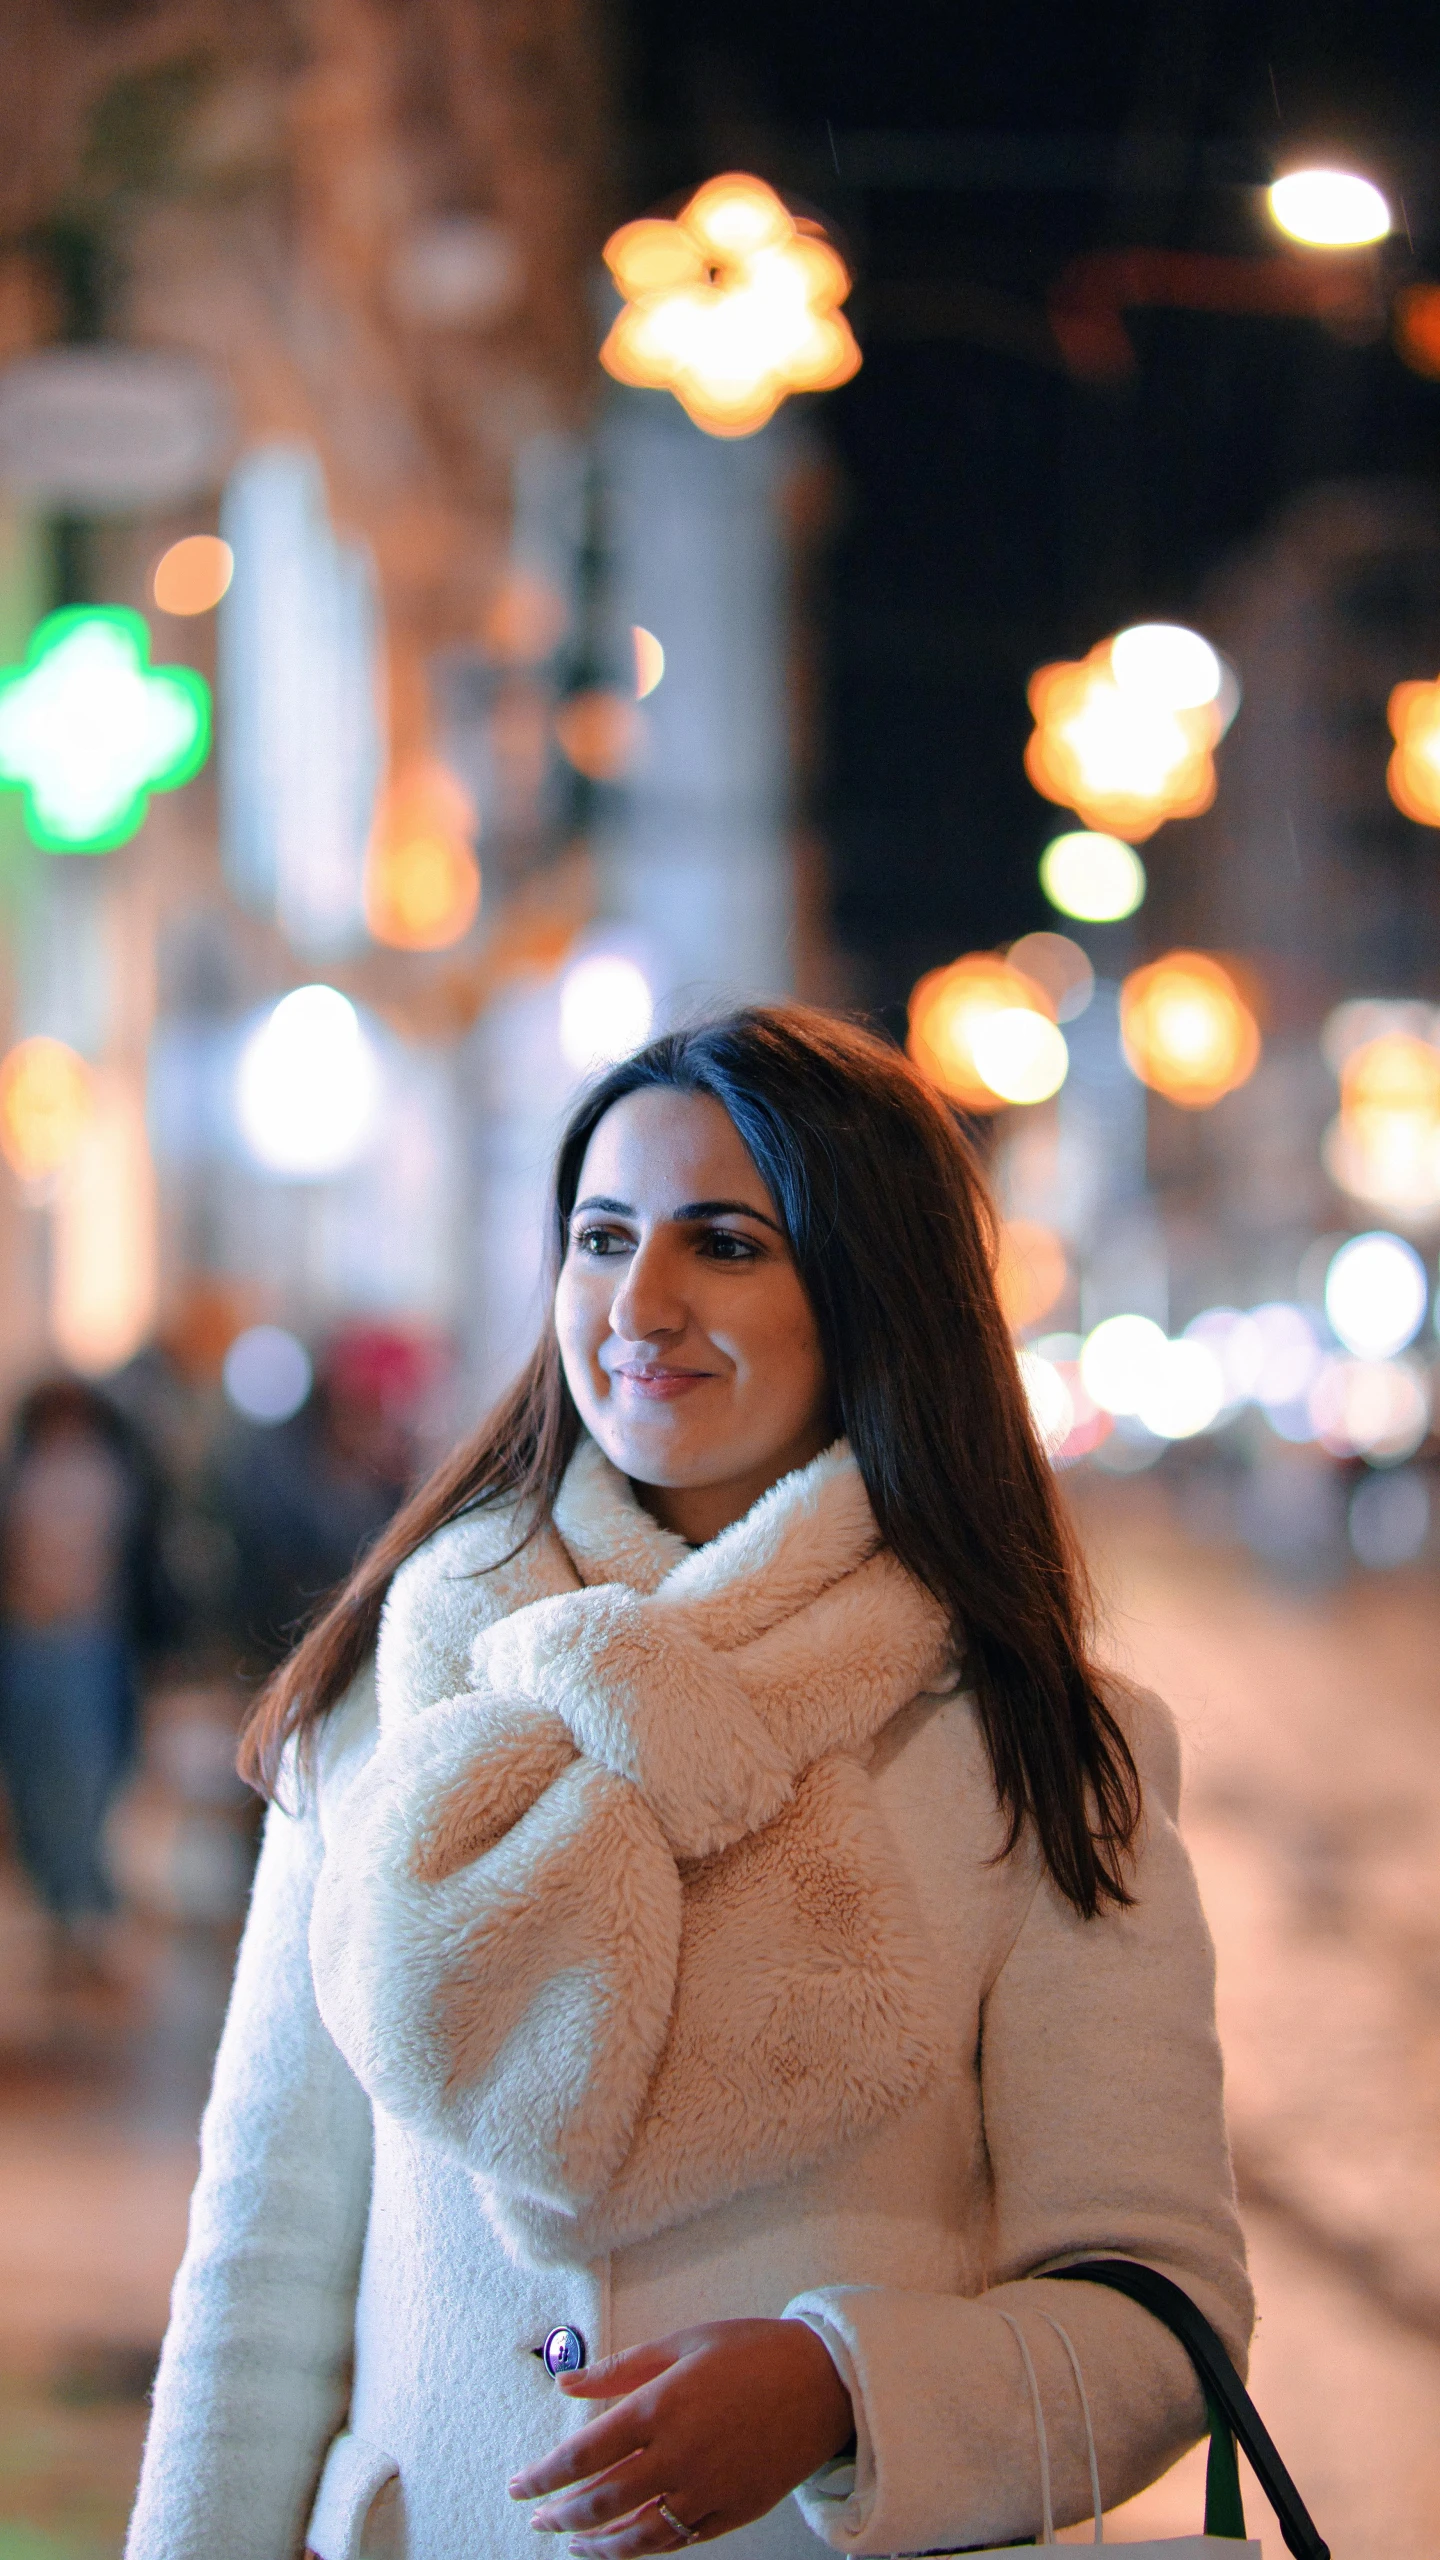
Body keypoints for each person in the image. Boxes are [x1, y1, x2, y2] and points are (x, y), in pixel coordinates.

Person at [127, 1006, 1251, 2560]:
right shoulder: (392, 1693)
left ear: (871, 1298)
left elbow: (1160, 2308)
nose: (638, 1304)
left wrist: (844, 2390)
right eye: (600, 1237)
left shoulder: (1043, 1750)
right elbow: (260, 2268)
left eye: (724, 1244)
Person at [0, 1377, 176, 1982]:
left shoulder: (110, 1474)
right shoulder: (21, 1476)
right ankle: (59, 1911)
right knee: (33, 1782)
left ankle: (85, 1912)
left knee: (85, 1779)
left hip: (87, 1645)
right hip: (28, 1643)